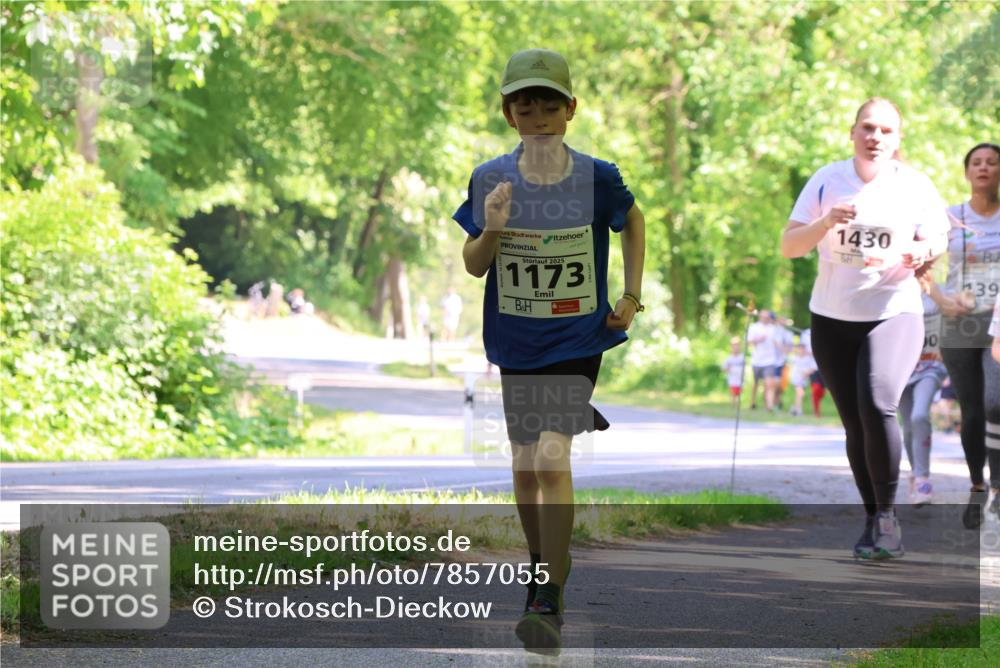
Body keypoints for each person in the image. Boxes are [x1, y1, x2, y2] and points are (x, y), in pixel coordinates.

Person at [453, 48, 645, 652]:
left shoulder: (597, 176)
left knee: (549, 459)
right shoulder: (490, 178)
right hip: (516, 338)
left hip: (576, 336)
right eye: (524, 106)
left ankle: (548, 593)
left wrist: (631, 295)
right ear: (509, 114)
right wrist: (493, 228)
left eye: (548, 106)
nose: (537, 117)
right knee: (522, 464)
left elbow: (633, 220)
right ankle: (542, 567)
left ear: (570, 109)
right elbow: (474, 266)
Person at [781, 98, 950, 559]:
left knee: (878, 404)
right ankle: (874, 518)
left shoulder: (914, 186)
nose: (876, 137)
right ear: (853, 132)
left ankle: (889, 518)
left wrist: (924, 250)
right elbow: (790, 246)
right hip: (832, 317)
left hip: (894, 310)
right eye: (868, 128)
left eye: (886, 131)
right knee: (854, 423)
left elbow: (939, 235)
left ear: (898, 140)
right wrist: (824, 221)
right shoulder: (826, 179)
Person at [926, 142, 1000, 527]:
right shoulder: (949, 218)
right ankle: (977, 488)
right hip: (958, 323)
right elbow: (921, 266)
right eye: (977, 162)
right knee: (971, 411)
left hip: (998, 325)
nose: (984, 167)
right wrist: (941, 298)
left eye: (992, 162)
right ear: (967, 171)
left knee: (995, 403)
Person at [899, 287, 948, 506]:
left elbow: (956, 313)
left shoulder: (939, 293)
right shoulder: (892, 289)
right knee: (908, 426)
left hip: (931, 367)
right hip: (899, 368)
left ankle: (922, 478)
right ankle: (915, 472)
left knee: (919, 416)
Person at [747, 310, 780, 411]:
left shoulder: (774, 329)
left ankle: (769, 406)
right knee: (756, 383)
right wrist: (758, 340)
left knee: (769, 383)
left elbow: (777, 343)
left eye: (767, 317)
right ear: (760, 317)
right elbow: (748, 342)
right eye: (763, 316)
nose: (765, 318)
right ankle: (753, 402)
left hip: (770, 361)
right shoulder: (754, 327)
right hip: (757, 360)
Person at [788, 342, 817, 417]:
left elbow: (813, 368)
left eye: (802, 348)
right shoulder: (794, 358)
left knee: (799, 394)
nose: (801, 350)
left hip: (804, 379)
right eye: (799, 349)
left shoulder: (808, 358)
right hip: (796, 378)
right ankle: (799, 410)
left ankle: (794, 408)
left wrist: (807, 372)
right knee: (800, 393)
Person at [721, 337, 746, 408]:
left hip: (740, 378)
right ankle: (733, 405)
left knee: (739, 392)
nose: (736, 348)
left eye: (737, 346)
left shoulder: (742, 357)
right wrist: (728, 369)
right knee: (733, 392)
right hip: (732, 378)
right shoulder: (729, 358)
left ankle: (738, 405)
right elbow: (723, 367)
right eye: (734, 346)